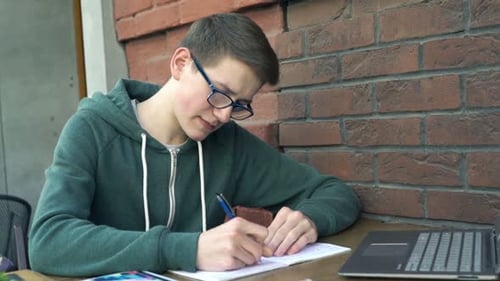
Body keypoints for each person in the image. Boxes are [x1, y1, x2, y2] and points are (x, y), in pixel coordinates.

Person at [28, 13, 361, 277]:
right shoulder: (93, 130)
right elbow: (48, 241)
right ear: (180, 64)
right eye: (219, 92)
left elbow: (335, 192)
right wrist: (190, 249)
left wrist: (311, 218)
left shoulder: (229, 145)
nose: (225, 114)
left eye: (239, 104)